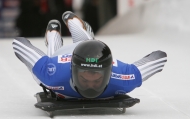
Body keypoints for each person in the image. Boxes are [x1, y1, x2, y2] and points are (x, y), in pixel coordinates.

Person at [12, 11, 167, 101]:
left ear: (108, 74)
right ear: (73, 72)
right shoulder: (53, 73)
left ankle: (70, 26)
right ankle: (54, 35)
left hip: (84, 51)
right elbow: (20, 44)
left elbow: (158, 58)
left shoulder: (124, 77)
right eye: (84, 79)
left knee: (90, 45)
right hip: (61, 57)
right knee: (44, 74)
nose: (90, 87)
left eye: (97, 79)